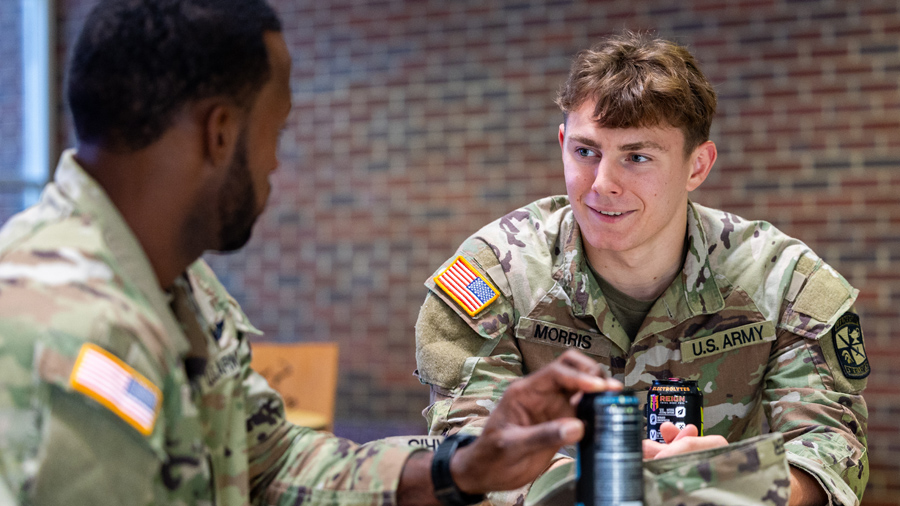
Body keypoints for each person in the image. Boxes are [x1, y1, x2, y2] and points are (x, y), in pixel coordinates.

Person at [0, 1, 625, 505]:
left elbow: (270, 462)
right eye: (277, 131)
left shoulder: (178, 286)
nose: (275, 164)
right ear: (221, 133)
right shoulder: (68, 325)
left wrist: (461, 466)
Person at [415, 32, 869, 506]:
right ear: (562, 143)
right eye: (586, 151)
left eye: (637, 157)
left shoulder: (782, 282)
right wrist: (593, 489)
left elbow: (833, 451)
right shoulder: (498, 274)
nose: (603, 184)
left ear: (697, 166)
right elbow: (468, 448)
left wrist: (738, 485)